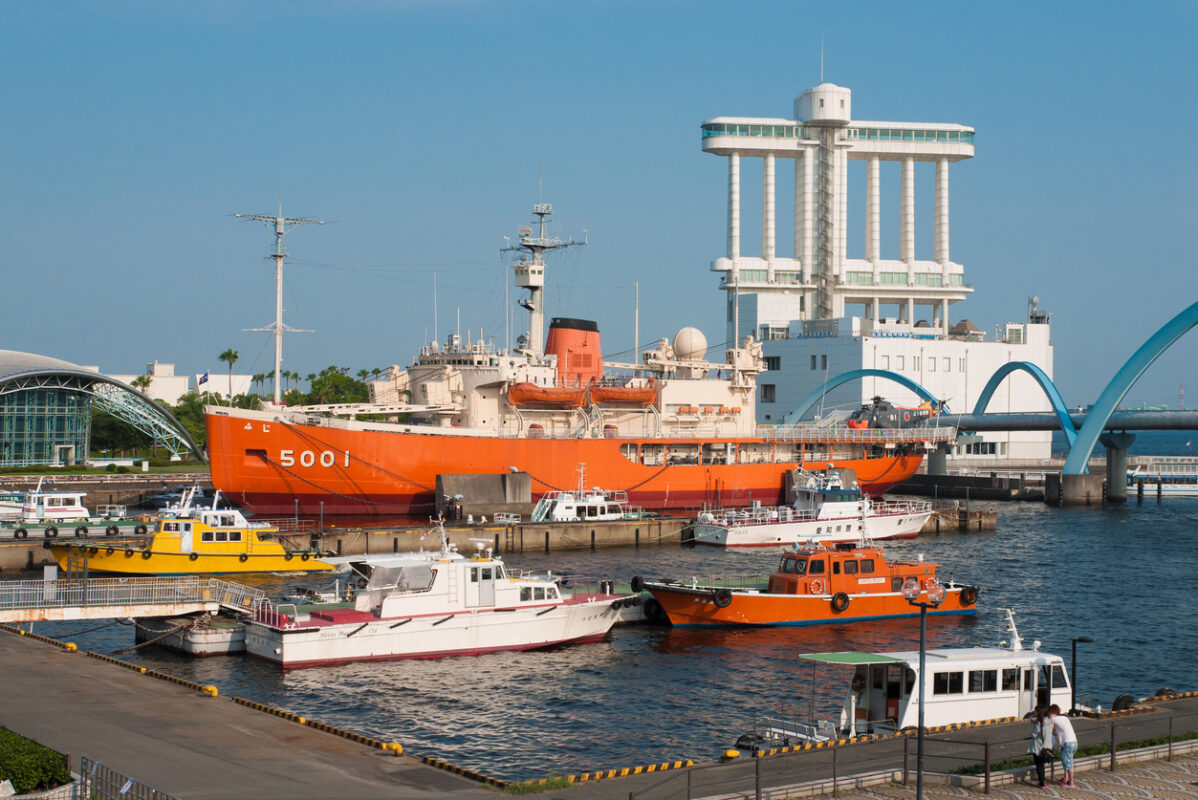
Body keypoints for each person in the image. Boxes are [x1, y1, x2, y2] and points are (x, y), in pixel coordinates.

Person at [1048, 704, 1078, 787]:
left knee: (1069, 763)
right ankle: (1066, 778)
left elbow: (1050, 730)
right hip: (1074, 742)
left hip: (1067, 743)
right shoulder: (1065, 718)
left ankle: (1071, 783)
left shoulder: (1053, 719)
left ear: (1051, 712)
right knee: (1068, 761)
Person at [1027, 706, 1054, 789]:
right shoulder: (1049, 720)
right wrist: (1034, 722)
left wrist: (1031, 718)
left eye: (1036, 712)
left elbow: (1033, 734)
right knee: (1042, 765)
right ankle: (1043, 781)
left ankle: (1041, 783)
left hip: (1039, 747)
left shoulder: (1039, 723)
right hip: (1048, 746)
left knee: (1039, 765)